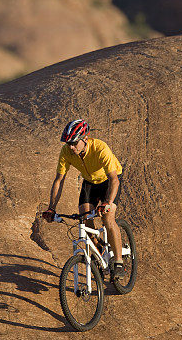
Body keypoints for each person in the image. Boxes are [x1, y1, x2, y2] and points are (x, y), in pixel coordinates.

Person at [42, 119, 125, 279]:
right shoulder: (66, 152)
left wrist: (107, 203)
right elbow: (59, 180)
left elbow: (114, 179)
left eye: (74, 143)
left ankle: (119, 263)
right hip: (90, 182)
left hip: (109, 181)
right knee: (85, 218)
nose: (71, 147)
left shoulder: (100, 148)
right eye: (68, 144)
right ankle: (100, 251)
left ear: (85, 138)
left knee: (108, 218)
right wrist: (52, 207)